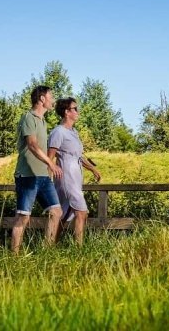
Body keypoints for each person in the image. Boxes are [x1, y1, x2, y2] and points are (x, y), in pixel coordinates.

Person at [11, 85, 64, 254]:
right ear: (42, 99)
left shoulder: (43, 121)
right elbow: (32, 145)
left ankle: (47, 252)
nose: (53, 100)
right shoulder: (29, 117)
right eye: (51, 97)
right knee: (23, 217)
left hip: (43, 177)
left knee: (56, 212)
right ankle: (14, 257)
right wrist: (50, 162)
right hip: (27, 176)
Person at [48, 97, 101, 245]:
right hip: (66, 176)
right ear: (66, 112)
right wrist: (48, 180)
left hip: (76, 177)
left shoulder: (73, 132)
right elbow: (49, 157)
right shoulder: (58, 132)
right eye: (75, 109)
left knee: (64, 215)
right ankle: (79, 248)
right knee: (81, 212)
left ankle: (50, 246)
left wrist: (92, 169)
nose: (78, 111)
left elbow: (78, 156)